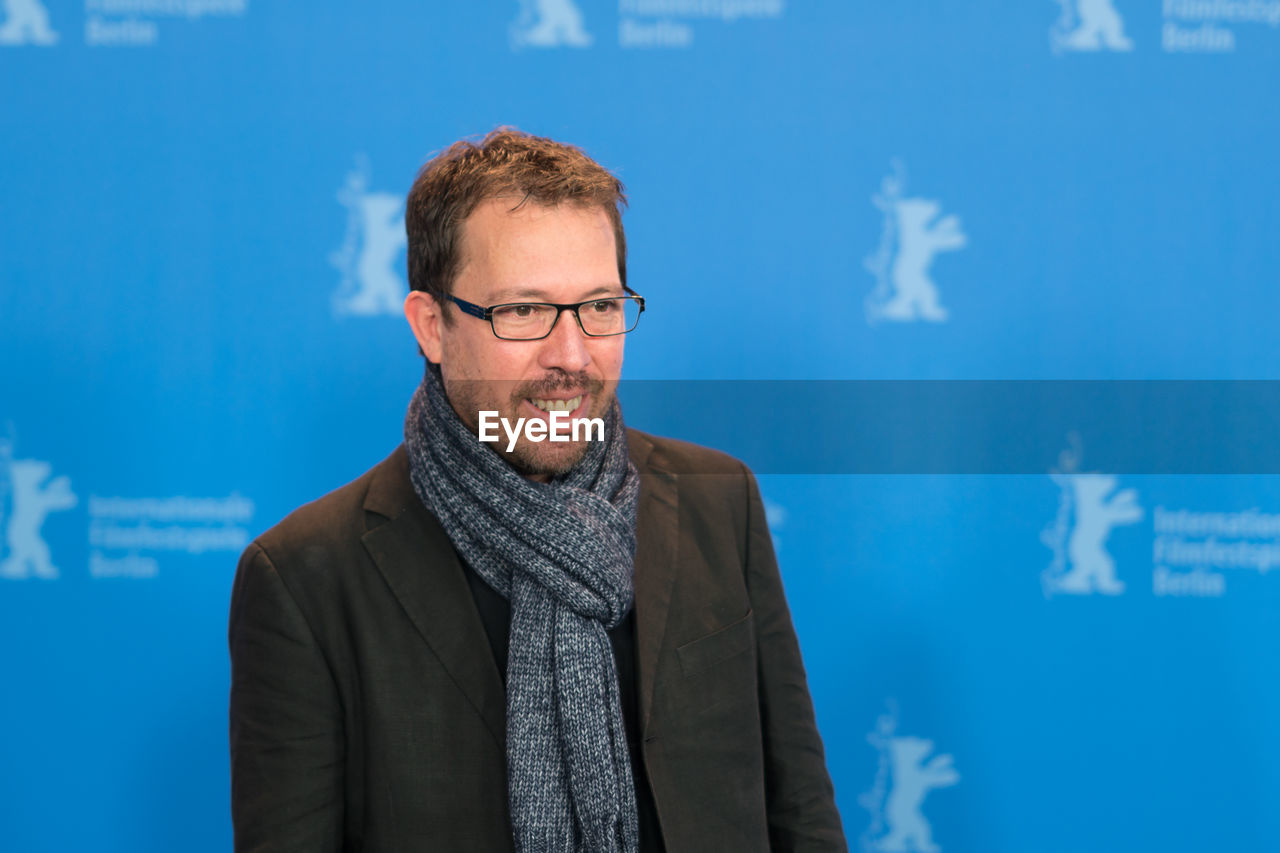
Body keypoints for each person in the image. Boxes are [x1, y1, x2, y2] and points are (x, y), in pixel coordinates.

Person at [228, 128, 847, 853]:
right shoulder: (307, 578)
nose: (572, 356)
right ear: (432, 326)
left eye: (601, 306)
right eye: (523, 311)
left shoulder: (719, 502)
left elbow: (800, 815)